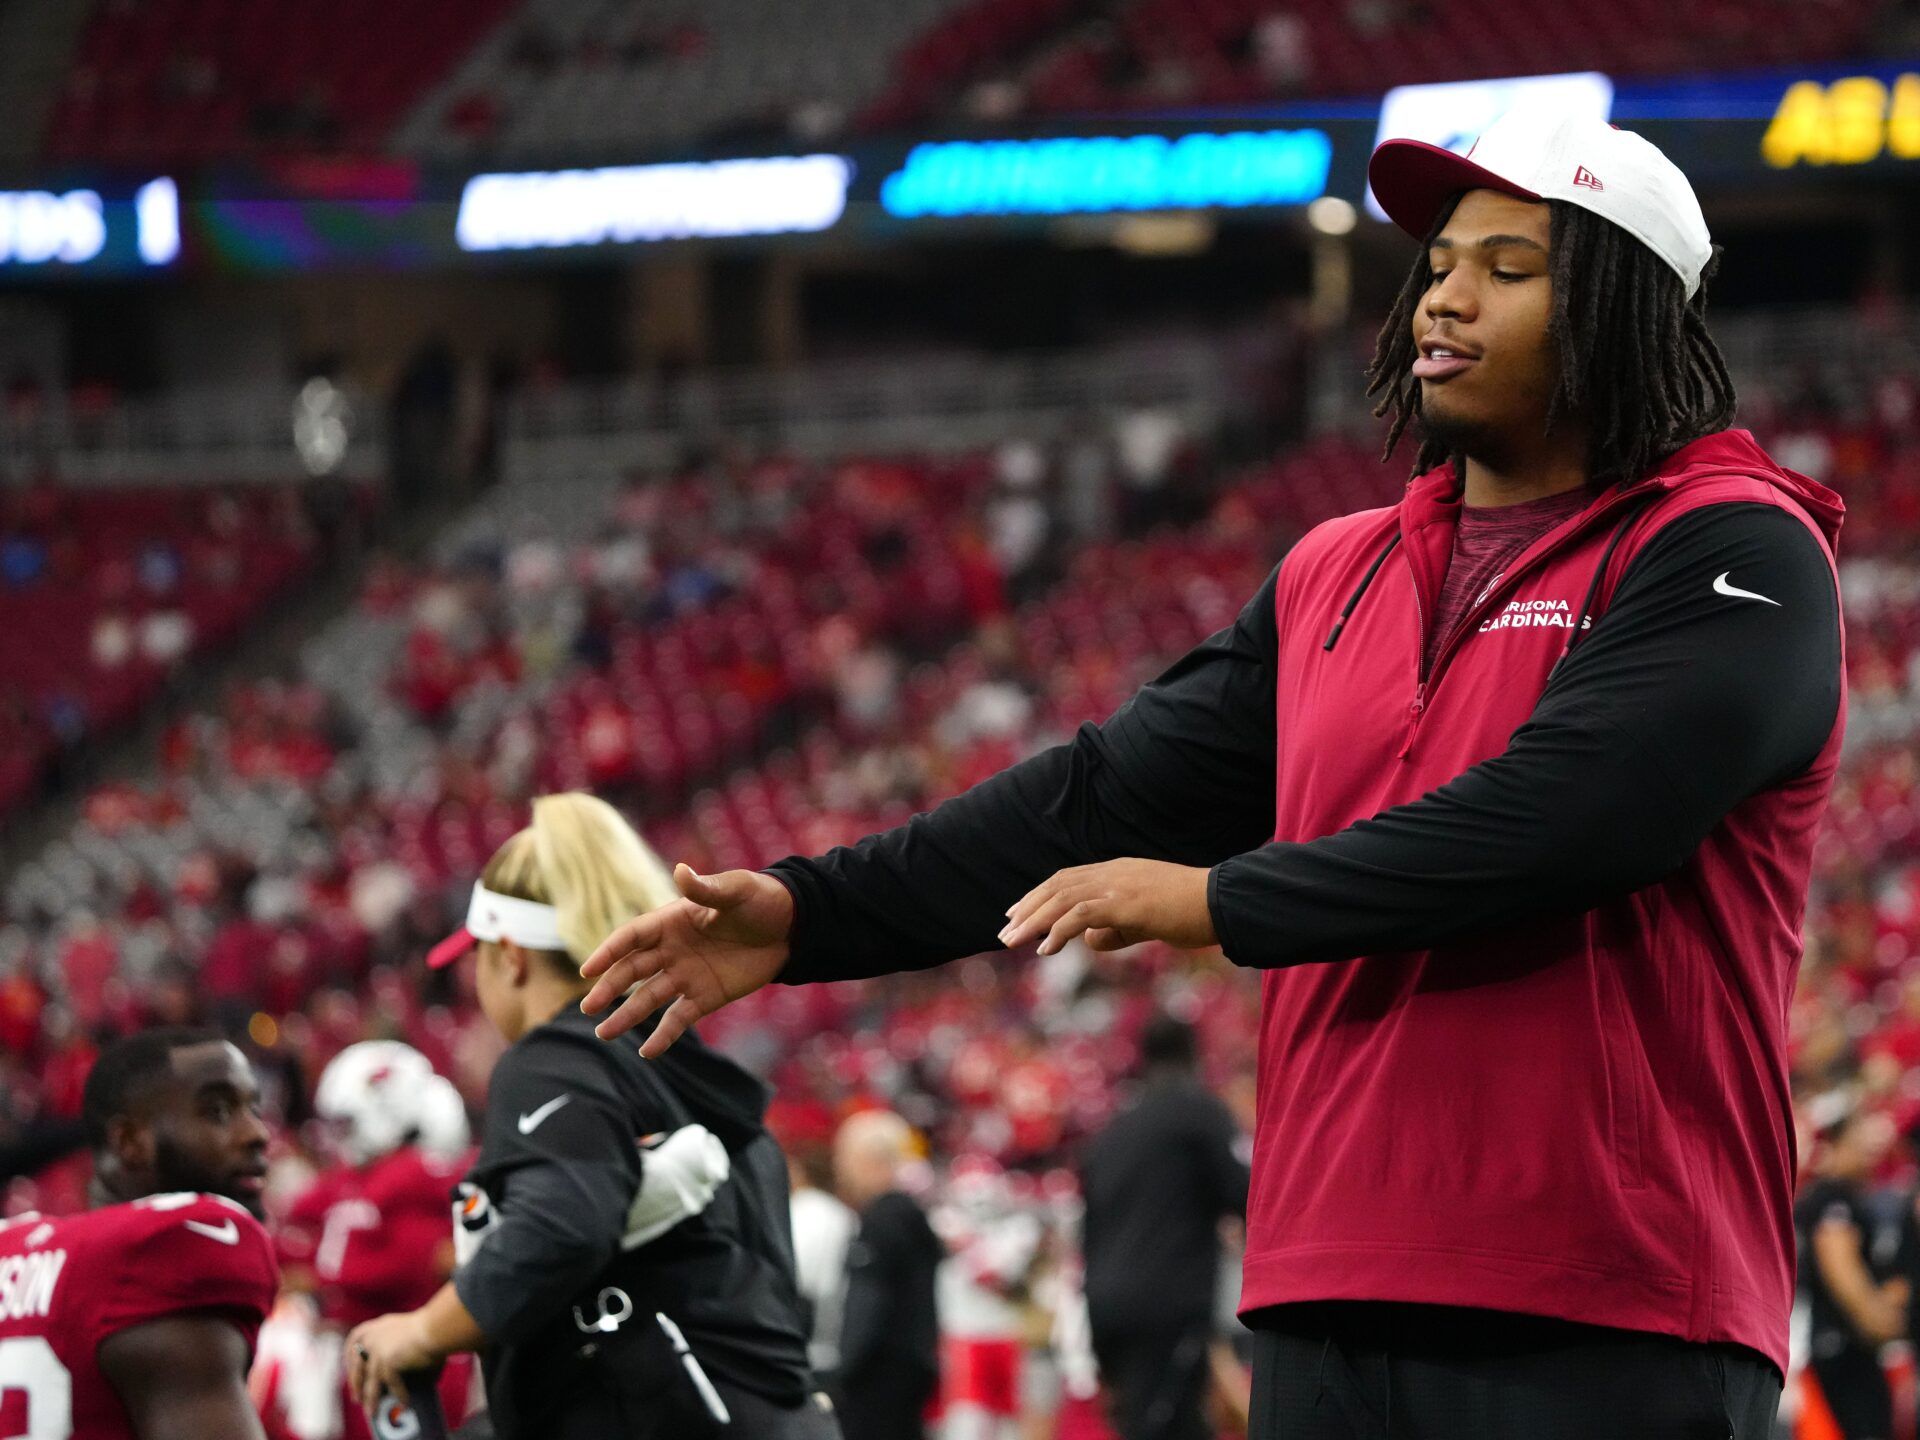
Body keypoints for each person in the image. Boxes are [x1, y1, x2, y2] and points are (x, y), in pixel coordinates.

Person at [579, 107, 1846, 1439]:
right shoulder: (1334, 573)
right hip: (1324, 1289)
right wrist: (810, 913)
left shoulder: (1738, 549)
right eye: (1441, 260)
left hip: (1612, 1300)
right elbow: (1099, 799)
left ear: (1623, 308)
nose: (1444, 295)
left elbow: (1578, 816)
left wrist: (1217, 903)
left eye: (1508, 268)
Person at [344, 792, 836, 1439]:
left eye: (478, 957)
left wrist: (421, 1331)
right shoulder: (683, 1062)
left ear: (511, 955)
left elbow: (565, 1224)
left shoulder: (557, 1055)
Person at [0, 1027, 277, 1440]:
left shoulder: (13, 1248)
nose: (258, 1134)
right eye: (218, 1112)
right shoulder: (169, 1250)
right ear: (130, 1141)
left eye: (254, 1108)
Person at [274, 1041, 477, 1438]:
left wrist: (319, 1279)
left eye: (348, 1124)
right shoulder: (356, 1180)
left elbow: (395, 1269)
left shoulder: (412, 1176)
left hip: (415, 1354)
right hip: (369, 1350)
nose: (342, 1140)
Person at [1080, 1015, 1248, 1440]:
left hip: (1105, 1304)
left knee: (1162, 1420)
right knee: (1165, 1423)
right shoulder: (1199, 1113)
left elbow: (1089, 1229)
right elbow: (1247, 1195)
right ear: (1194, 1056)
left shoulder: (1112, 1131)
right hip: (1168, 1301)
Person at [828, 1110, 943, 1440]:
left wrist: (840, 1373)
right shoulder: (911, 1216)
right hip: (911, 1372)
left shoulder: (882, 1222)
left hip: (878, 1380)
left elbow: (867, 1304)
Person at [1796, 1103, 1906, 1439]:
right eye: (1859, 1135)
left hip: (1844, 1346)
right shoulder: (1833, 1199)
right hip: (1843, 1344)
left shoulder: (1849, 1198)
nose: (1869, 1146)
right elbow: (1841, 1269)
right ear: (1836, 1144)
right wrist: (1882, 1322)